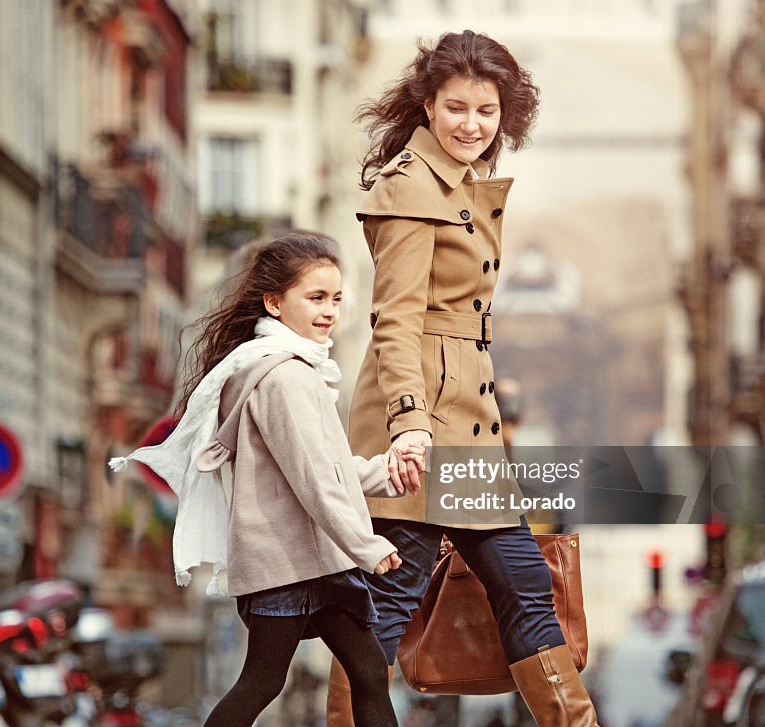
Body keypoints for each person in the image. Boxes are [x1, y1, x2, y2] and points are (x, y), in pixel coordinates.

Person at [326, 31, 601, 726]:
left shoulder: (461, 184)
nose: (471, 125)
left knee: (527, 582)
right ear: (428, 104)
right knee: (391, 598)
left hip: (467, 424)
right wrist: (410, 422)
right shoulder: (412, 190)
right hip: (423, 424)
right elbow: (394, 319)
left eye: (486, 111)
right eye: (456, 108)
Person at [110, 232, 424, 727]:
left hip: (312, 559)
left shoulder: (291, 370)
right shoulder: (284, 378)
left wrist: (388, 472)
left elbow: (329, 468)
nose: (329, 312)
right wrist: (366, 544)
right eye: (316, 298)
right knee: (264, 681)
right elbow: (316, 478)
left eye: (336, 299)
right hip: (288, 562)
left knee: (365, 671)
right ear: (275, 303)